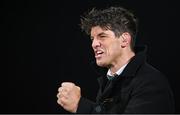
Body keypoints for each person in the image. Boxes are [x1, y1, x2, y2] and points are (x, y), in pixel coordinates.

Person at [56, 6, 175, 113]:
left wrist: (80, 106)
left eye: (102, 36)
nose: (94, 44)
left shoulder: (151, 83)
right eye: (92, 39)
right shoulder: (110, 80)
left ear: (124, 40)